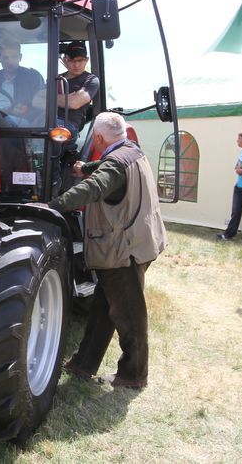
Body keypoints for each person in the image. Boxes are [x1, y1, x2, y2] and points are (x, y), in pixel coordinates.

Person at [46, 112, 166, 389]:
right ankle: (84, 363)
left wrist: (53, 206)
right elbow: (108, 167)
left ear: (98, 138)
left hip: (123, 251)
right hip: (137, 242)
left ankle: (134, 374)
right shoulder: (131, 150)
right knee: (103, 307)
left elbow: (98, 185)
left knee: (129, 315)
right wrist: (87, 167)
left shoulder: (114, 164)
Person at [0, 42, 45, 127]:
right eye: (5, 58)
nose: (10, 61)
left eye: (14, 57)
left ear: (20, 57)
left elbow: (40, 106)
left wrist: (17, 110)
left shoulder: (33, 76)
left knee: (1, 121)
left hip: (22, 121)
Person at [57, 40, 100, 139]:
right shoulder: (57, 79)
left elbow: (74, 103)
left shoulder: (91, 80)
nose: (76, 65)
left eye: (80, 60)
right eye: (72, 60)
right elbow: (36, 100)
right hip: (46, 122)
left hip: (68, 127)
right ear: (65, 60)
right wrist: (66, 99)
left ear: (87, 59)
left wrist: (49, 98)